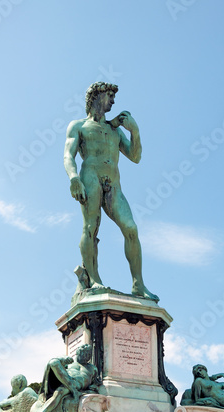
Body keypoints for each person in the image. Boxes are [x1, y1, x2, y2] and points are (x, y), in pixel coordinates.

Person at [64, 81, 159, 302]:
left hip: (114, 183)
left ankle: (139, 285)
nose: (113, 101)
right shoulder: (78, 126)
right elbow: (68, 155)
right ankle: (93, 279)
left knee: (131, 228)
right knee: (90, 227)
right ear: (97, 97)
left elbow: (135, 157)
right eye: (110, 96)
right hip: (90, 177)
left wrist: (134, 130)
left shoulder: (114, 130)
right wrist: (74, 178)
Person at [21, 344, 98, 412]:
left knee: (60, 392)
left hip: (77, 385)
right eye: (84, 353)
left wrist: (87, 391)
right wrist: (62, 359)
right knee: (53, 363)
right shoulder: (70, 363)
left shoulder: (93, 368)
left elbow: (94, 385)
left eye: (88, 354)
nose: (86, 356)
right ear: (78, 352)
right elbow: (57, 367)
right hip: (67, 380)